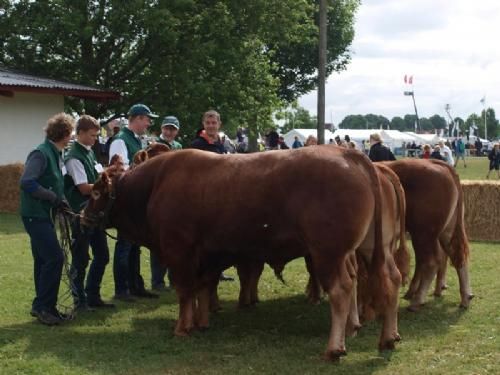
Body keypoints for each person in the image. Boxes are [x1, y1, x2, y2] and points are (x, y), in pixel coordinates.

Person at [20, 113, 74, 325]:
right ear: (65, 134)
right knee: (54, 258)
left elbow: (55, 183)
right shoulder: (41, 153)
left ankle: (44, 306)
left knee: (43, 260)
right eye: (71, 133)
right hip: (35, 214)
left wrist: (62, 201)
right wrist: (53, 198)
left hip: (43, 214)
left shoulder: (55, 153)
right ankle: (44, 307)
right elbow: (27, 182)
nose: (72, 137)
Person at [109, 103, 160, 301]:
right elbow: (119, 170)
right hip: (125, 200)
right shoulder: (121, 140)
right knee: (125, 246)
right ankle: (122, 289)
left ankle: (135, 285)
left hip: (135, 199)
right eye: (147, 119)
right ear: (138, 118)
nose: (148, 123)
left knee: (134, 245)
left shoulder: (135, 140)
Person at [64, 115, 115, 311]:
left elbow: (96, 175)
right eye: (93, 135)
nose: (95, 139)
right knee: (80, 258)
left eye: (96, 135)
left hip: (93, 213)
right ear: (81, 133)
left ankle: (92, 295)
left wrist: (109, 172)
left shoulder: (88, 152)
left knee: (102, 255)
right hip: (81, 213)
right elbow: (84, 188)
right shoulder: (74, 156)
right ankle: (79, 300)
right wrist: (107, 184)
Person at [190, 110, 234, 281]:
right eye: (208, 123)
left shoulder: (222, 145)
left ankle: (218, 270)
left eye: (213, 123)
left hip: (222, 197)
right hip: (205, 197)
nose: (211, 126)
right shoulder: (197, 145)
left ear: (219, 124)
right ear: (203, 124)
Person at [150, 115, 183, 291]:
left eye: (173, 129)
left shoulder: (178, 147)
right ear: (162, 129)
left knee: (176, 243)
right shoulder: (154, 146)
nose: (169, 132)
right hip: (160, 198)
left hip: (176, 200)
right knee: (159, 243)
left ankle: (174, 278)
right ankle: (157, 281)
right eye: (167, 128)